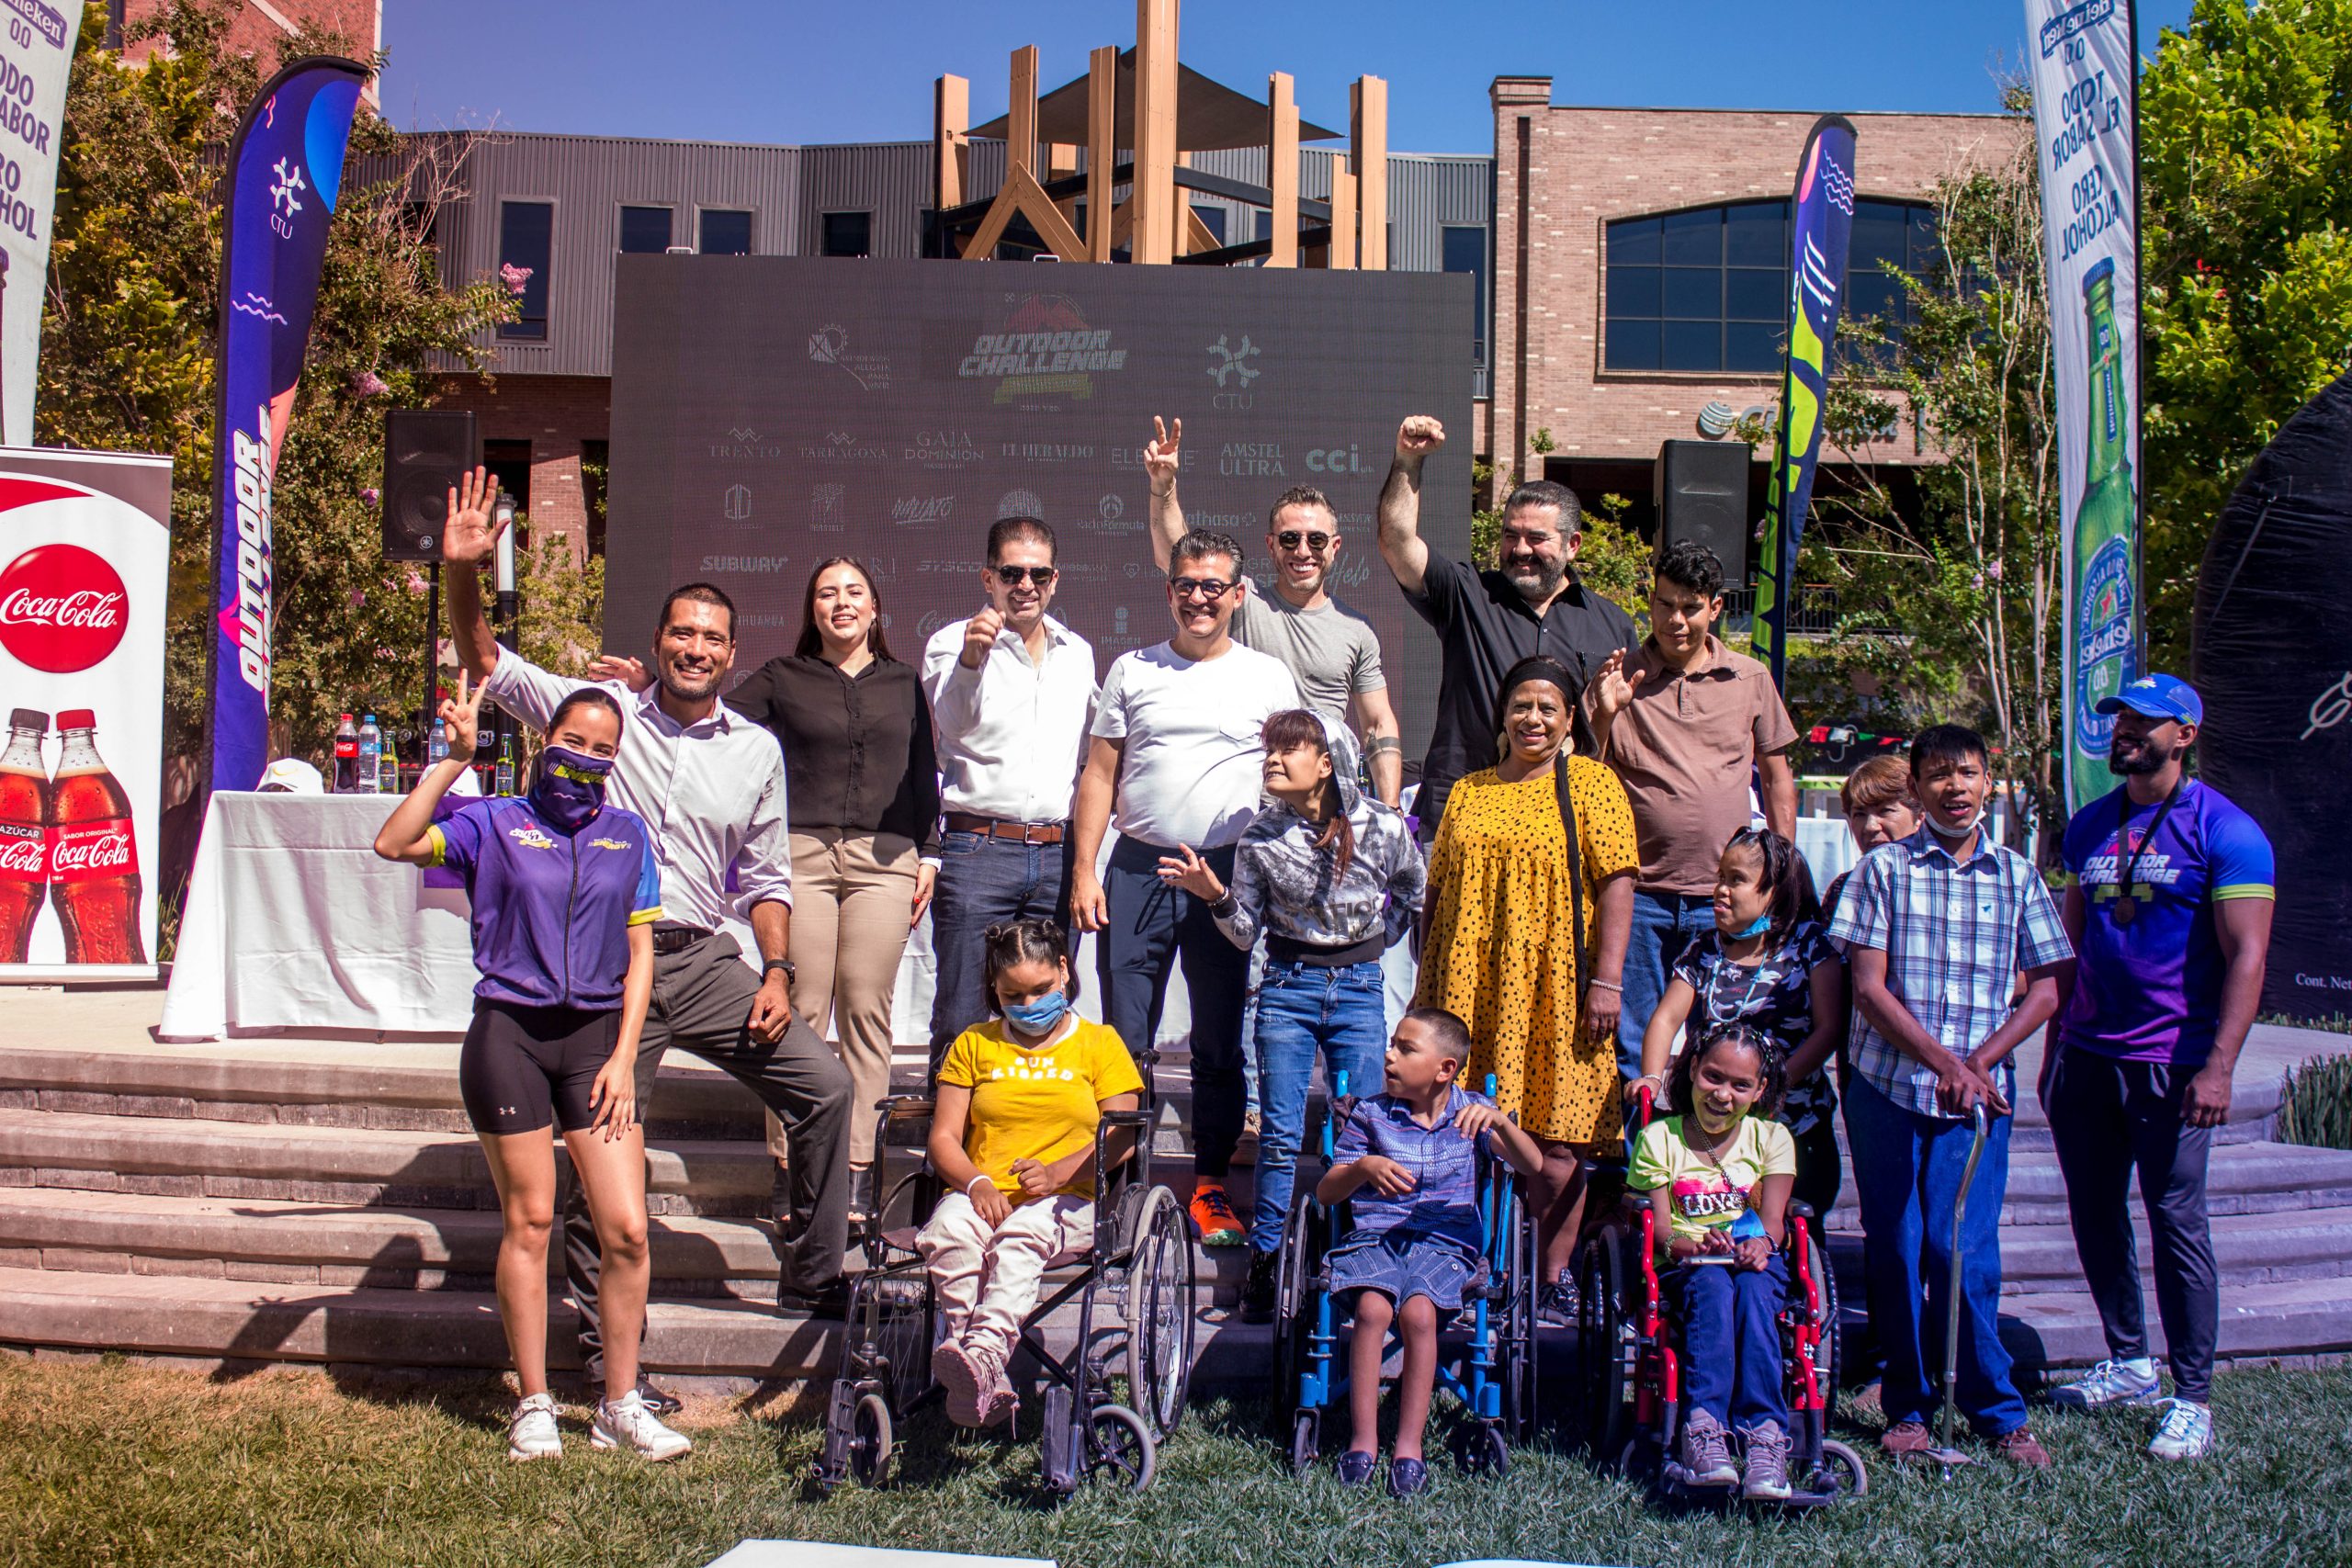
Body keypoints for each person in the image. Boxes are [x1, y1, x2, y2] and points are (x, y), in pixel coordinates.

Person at [442, 467, 853, 1425]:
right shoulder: (594, 711)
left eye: (713, 637)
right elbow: (484, 657)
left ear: (732, 652)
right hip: (594, 976)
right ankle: (607, 1363)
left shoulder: (754, 750)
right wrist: (463, 573)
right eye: (681, 633)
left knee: (825, 1089)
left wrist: (779, 970)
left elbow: (764, 877)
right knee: (595, 1171)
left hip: (704, 962)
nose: (696, 649)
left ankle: (815, 1277)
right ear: (658, 642)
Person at [370, 674, 689, 1461]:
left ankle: (620, 1402)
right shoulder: (493, 823)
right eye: (572, 742)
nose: (583, 759)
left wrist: (623, 1053)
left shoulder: (628, 834)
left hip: (594, 1043)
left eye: (601, 751)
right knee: (533, 1220)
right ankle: (535, 1401)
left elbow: (641, 950)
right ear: (545, 741)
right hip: (508, 1035)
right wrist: (452, 761)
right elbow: (396, 841)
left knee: (627, 1229)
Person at [2041, 674, 2274, 1462]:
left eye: (2146, 722)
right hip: (2089, 1056)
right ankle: (2129, 1359)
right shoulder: (2089, 827)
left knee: (2176, 1220)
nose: (2127, 732)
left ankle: (2193, 1395)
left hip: (2173, 1062)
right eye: (2120, 719)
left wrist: (2218, 1067)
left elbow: (2247, 957)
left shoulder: (2229, 831)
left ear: (2186, 735)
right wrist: (2055, 1047)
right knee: (2095, 1211)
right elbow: (2065, 946)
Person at [1828, 724, 2073, 1469]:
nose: (1954, 787)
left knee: (1962, 1249)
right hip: (1889, 1088)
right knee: (1898, 1248)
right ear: (1918, 785)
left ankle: (1996, 1407)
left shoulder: (2017, 875)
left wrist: (1978, 1064)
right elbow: (1868, 989)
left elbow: (2047, 990)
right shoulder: (1884, 872)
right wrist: (1941, 1060)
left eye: (1966, 773)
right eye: (1937, 775)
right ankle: (1908, 1403)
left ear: (1989, 780)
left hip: (1975, 1099)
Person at [1069, 529, 1302, 1247]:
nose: (1198, 598)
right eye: (1186, 584)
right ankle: (1119, 1190)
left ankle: (1209, 1187)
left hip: (1226, 875)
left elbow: (1300, 771)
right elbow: (1100, 773)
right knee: (1122, 1039)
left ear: (1237, 593)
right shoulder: (1131, 669)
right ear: (1168, 590)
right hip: (1137, 869)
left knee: (1219, 1043)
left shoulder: (1268, 676)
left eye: (1213, 586)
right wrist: (1085, 867)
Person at [1157, 708, 1427, 1320]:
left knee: (1361, 1128)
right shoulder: (1260, 837)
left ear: (1327, 763)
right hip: (1287, 986)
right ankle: (1270, 1261)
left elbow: (1415, 889)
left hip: (1359, 989)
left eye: (1290, 749)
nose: (1273, 760)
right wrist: (1216, 896)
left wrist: (1380, 941)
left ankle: (1355, 1255)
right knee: (1279, 1134)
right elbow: (1245, 932)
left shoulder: (1381, 826)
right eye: (1270, 751)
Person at [1414, 654, 1637, 1318]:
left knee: (1558, 1141)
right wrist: (1427, 992)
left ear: (1570, 718)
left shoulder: (1593, 785)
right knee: (1462, 1133)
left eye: (1548, 706)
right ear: (1502, 715)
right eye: (1521, 704)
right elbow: (1437, 894)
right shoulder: (1468, 790)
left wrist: (1608, 980)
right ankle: (1475, 1268)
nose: (1532, 717)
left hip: (1557, 988)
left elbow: (1618, 883)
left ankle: (1551, 1274)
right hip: (1467, 987)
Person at [720, 558, 941, 1224]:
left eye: (854, 592)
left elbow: (925, 770)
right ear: (811, 608)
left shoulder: (905, 683)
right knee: (800, 1008)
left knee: (867, 1012)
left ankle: (858, 1174)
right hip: (801, 855)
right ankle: (792, 1170)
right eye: (826, 593)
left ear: (875, 608)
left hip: (886, 858)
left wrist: (929, 853)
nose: (840, 603)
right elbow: (715, 724)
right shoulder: (782, 678)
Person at [1589, 541, 1799, 1085]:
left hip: (1724, 899)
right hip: (1639, 898)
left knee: (1728, 1044)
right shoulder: (1619, 675)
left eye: (1689, 607)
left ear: (1716, 608)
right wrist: (1605, 711)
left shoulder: (1749, 678)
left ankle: (1712, 1163)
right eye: (1663, 605)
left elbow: (1777, 778)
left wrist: (1783, 871)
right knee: (1632, 1047)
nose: (1675, 620)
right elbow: (1586, 776)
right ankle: (1643, 1162)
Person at [922, 918, 1144, 1427]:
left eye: (1040, 990)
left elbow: (1124, 1135)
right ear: (994, 991)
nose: (1028, 1005)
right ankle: (983, 1369)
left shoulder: (1100, 1043)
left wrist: (1058, 1172)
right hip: (985, 1192)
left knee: (1024, 1231)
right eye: (1012, 995)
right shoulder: (974, 1044)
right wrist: (975, 1182)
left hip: (1073, 1198)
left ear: (1064, 971)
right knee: (947, 1230)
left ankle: (977, 1356)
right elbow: (943, 1139)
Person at [1374, 415, 1639, 838]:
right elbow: (1397, 540)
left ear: (1572, 545)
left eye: (1537, 538)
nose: (1520, 550)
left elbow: (1614, 741)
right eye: (1510, 535)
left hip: (1558, 826)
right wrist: (1408, 460)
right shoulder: (1467, 594)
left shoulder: (1612, 625)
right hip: (1459, 818)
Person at [1316, 1008, 1544, 1496]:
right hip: (1376, 1239)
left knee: (1419, 1315)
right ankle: (1362, 1441)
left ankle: (1409, 1447)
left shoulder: (1474, 1117)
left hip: (1445, 1245)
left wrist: (1502, 1122)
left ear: (1445, 1069)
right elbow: (1327, 1193)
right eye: (1392, 1044)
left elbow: (1533, 1164)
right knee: (1373, 1308)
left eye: (1405, 1048)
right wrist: (1363, 1168)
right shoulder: (1371, 1114)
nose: (1389, 1055)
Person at [1141, 416, 1405, 805]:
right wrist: (1164, 488)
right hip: (1245, 808)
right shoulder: (1243, 600)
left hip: (1322, 811)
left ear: (1334, 547)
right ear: (1270, 545)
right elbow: (1181, 557)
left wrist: (1391, 809)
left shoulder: (1357, 630)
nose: (1302, 551)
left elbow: (1377, 724)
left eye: (1316, 540)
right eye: (1289, 539)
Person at [920, 516, 1098, 1070]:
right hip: (978, 849)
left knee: (1049, 1005)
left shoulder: (1078, 652)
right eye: (1012, 572)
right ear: (988, 577)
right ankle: (947, 1148)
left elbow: (1100, 746)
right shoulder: (952, 642)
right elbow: (951, 727)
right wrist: (973, 662)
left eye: (1038, 573)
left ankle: (1033, 1128)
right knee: (963, 1009)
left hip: (1055, 851)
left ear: (1055, 580)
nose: (1025, 584)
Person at [1630, 828, 1845, 1215]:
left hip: (1793, 1118)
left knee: (1796, 1231)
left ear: (1773, 892)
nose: (1720, 890)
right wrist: (1650, 1076)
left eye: (1737, 881)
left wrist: (1770, 1088)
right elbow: (1665, 1019)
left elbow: (1829, 1029)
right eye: (1720, 878)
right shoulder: (1706, 949)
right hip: (1717, 1120)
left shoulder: (1809, 946)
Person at [1628, 1022, 1797, 1500]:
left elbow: (1774, 1223)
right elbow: (1661, 1232)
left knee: (1751, 1290)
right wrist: (1695, 1249)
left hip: (1753, 1262)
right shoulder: (1661, 1139)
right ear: (1691, 1071)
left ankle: (1764, 1433)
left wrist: (1758, 1246)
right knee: (1713, 1286)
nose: (1723, 1094)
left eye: (1740, 1085)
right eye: (1713, 1078)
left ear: (1760, 1090)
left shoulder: (1772, 1139)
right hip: (1687, 1264)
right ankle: (1705, 1428)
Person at [1821, 755, 1921, 926]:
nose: (1870, 826)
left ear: (1919, 816)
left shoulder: (1940, 885)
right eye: (1859, 814)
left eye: (1885, 811)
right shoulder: (1843, 889)